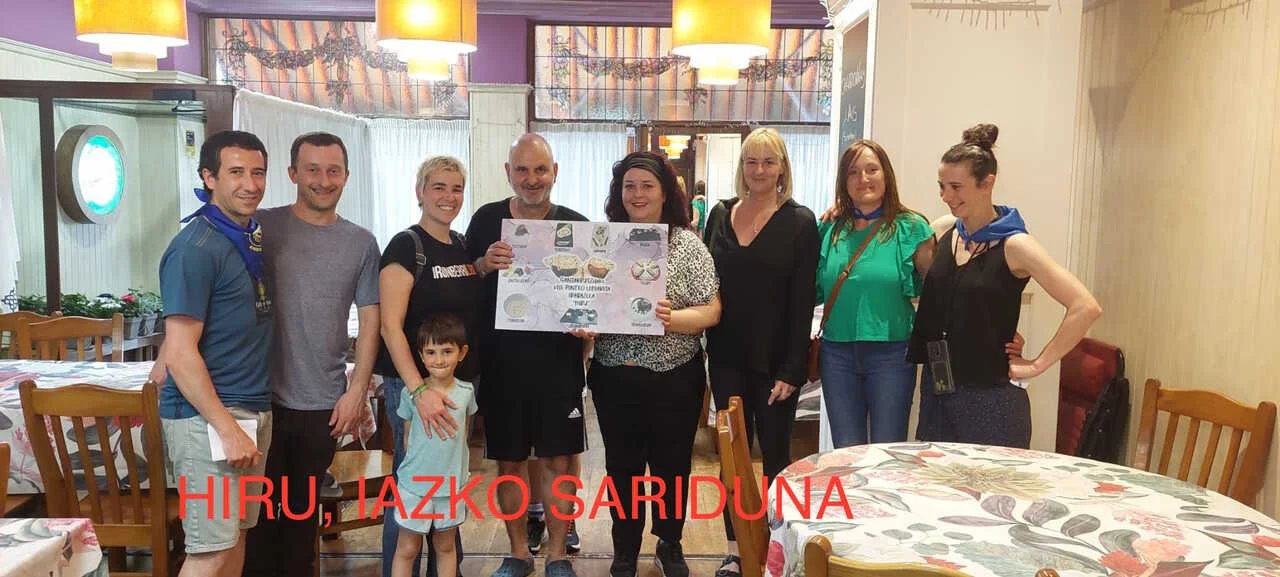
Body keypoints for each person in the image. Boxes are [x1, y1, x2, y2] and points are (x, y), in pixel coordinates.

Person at [907, 123, 1102, 448]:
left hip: (991, 400)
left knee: (990, 482)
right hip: (938, 393)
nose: (946, 197)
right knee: (934, 480)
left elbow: (1086, 306)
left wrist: (1037, 364)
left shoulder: (1015, 244)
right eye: (941, 186)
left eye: (956, 187)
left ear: (987, 183)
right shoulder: (944, 231)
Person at [240, 133, 382, 577]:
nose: (323, 180)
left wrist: (357, 391)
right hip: (255, 402)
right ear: (293, 173)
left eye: (333, 170)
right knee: (255, 526)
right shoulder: (258, 227)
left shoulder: (361, 243)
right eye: (313, 170)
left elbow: (372, 321)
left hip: (322, 402)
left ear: (346, 176)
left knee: (300, 527)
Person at [579, 152, 721, 577]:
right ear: (618, 193)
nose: (637, 194)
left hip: (675, 376)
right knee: (621, 466)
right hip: (614, 375)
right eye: (629, 186)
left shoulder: (687, 245)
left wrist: (671, 319)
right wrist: (584, 322)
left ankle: (669, 543)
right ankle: (624, 548)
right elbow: (585, 300)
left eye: (647, 186)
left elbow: (712, 310)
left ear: (665, 193)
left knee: (671, 465)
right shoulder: (602, 242)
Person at [465, 133, 587, 577]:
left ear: (555, 172)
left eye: (540, 170)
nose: (532, 179)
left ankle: (557, 555)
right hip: (502, 366)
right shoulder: (485, 220)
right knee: (510, 462)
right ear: (508, 173)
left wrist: (589, 322)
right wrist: (482, 265)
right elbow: (462, 283)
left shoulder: (577, 225)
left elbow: (591, 293)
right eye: (522, 170)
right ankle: (518, 552)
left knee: (558, 461)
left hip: (559, 364)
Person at [702, 127, 819, 577]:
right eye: (751, 161)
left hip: (775, 365)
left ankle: (776, 549)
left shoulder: (801, 222)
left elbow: (802, 301)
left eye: (769, 162)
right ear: (742, 167)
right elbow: (706, 283)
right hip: (726, 357)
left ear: (782, 168)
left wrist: (792, 368)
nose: (759, 170)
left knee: (775, 459)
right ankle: (737, 549)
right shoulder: (720, 214)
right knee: (731, 459)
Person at [156, 130, 273, 577]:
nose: (250, 184)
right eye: (236, 172)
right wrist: (227, 429)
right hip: (208, 418)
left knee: (235, 537)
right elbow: (180, 352)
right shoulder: (195, 247)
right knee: (210, 551)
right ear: (209, 177)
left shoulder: (246, 236)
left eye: (257, 173)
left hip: (250, 407)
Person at [378, 155, 481, 577]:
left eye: (456, 188)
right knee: (411, 483)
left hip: (457, 385)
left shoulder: (460, 244)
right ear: (420, 191)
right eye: (438, 187)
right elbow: (389, 326)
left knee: (447, 479)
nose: (449, 196)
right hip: (414, 386)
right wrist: (418, 391)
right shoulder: (406, 246)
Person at [815, 139, 935, 447]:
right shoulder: (829, 228)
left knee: (888, 449)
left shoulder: (912, 228)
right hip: (837, 354)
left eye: (871, 169)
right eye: (853, 172)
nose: (863, 178)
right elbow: (811, 289)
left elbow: (938, 295)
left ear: (886, 175)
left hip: (892, 354)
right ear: (843, 181)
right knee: (846, 450)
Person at [391, 314, 478, 577]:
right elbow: (407, 439)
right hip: (414, 487)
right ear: (421, 355)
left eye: (447, 351)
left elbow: (463, 438)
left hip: (451, 487)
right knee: (407, 547)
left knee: (445, 546)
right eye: (431, 352)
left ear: (462, 353)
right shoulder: (410, 394)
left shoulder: (466, 392)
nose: (439, 360)